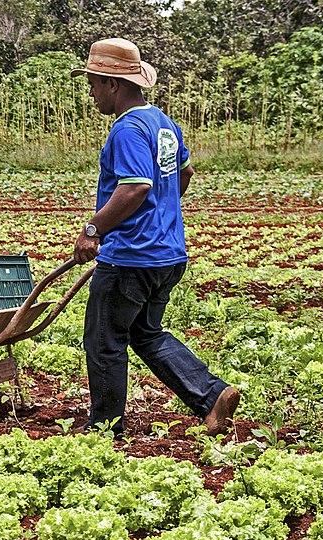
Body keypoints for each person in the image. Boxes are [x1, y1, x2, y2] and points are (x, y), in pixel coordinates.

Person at [70, 38, 239, 437]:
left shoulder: (127, 129)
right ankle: (211, 394)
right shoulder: (162, 123)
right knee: (145, 332)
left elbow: (134, 187)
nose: (92, 92)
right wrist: (161, 214)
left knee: (104, 340)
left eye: (93, 83)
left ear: (114, 84)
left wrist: (94, 229)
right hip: (167, 254)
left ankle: (104, 428)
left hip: (131, 257)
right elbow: (184, 174)